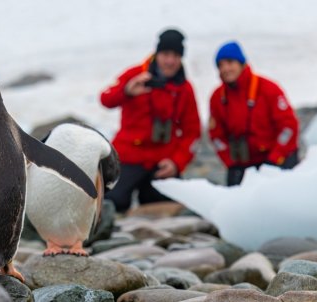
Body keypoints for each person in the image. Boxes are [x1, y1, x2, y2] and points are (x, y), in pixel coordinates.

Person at [100, 28, 201, 212]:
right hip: (128, 157)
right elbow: (105, 99)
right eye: (166, 54)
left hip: (162, 161)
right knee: (113, 202)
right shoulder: (136, 75)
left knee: (171, 203)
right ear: (157, 53)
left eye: (176, 56)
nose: (170, 61)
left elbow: (192, 131)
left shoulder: (184, 89)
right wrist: (126, 92)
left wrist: (176, 163)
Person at [208, 41, 299, 186]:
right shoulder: (217, 98)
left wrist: (275, 159)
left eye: (230, 62)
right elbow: (216, 135)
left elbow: (288, 127)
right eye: (221, 65)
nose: (225, 68)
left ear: (241, 63)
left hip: (276, 158)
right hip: (243, 163)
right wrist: (230, 162)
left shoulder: (268, 89)